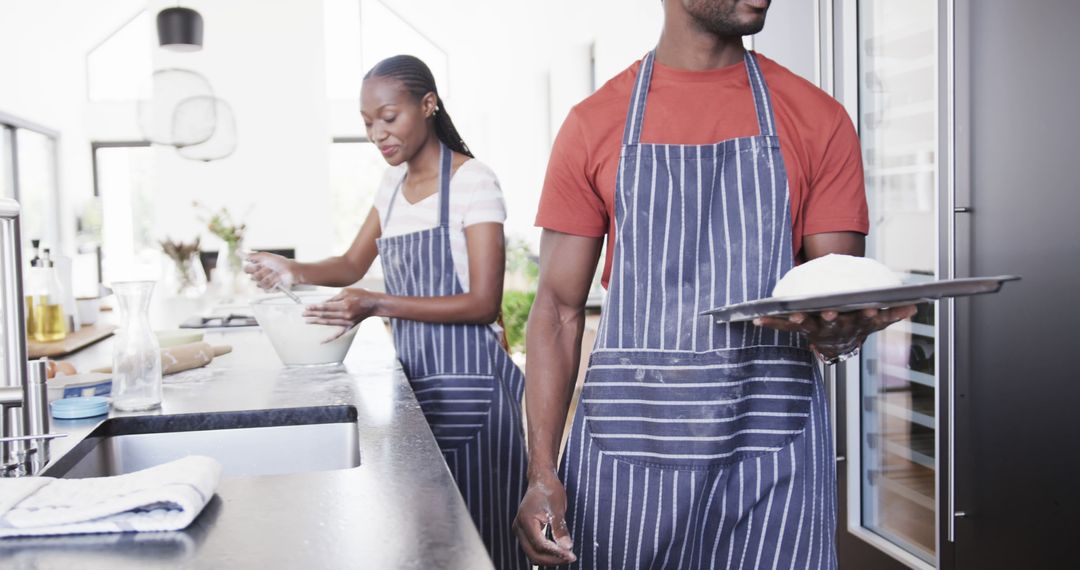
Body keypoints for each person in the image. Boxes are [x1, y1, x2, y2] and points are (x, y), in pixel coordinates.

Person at [512, 1, 916, 568]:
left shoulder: (818, 118)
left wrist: (844, 330)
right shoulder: (593, 123)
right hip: (630, 461)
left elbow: (833, 299)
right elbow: (556, 310)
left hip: (771, 461)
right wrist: (543, 471)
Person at [246, 55, 529, 569]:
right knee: (432, 540)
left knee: (484, 541)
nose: (378, 133)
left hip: (473, 391)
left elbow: (483, 302)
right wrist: (290, 269)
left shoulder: (473, 182)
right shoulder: (391, 189)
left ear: (427, 105)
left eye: (389, 117)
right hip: (417, 389)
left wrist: (376, 304)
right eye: (366, 122)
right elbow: (352, 263)